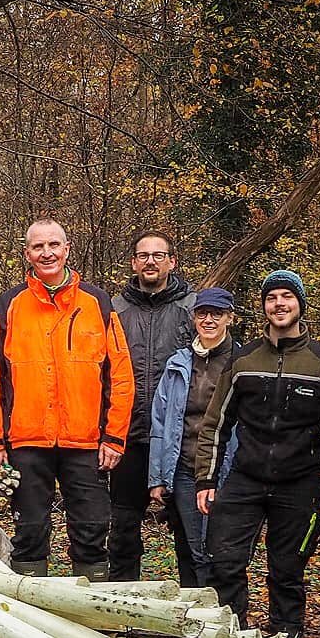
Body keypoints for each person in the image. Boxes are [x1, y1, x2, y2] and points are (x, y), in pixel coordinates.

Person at [195, 269, 320, 638]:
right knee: (225, 561)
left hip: (300, 482)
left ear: (300, 304)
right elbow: (216, 422)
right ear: (263, 306)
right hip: (245, 477)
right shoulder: (244, 359)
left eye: (286, 297)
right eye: (271, 298)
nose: (278, 304)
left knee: (287, 568)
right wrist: (207, 478)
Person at [0, 219, 134, 577]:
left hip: (87, 441)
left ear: (67, 249)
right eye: (37, 247)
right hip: (27, 440)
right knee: (30, 530)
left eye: (53, 245)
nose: (46, 253)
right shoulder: (8, 305)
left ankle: (91, 617)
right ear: (27, 253)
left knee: (92, 528)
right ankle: (32, 613)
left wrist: (114, 436)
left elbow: (120, 376)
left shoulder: (97, 302)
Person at [111, 230, 196, 580]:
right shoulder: (115, 309)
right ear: (133, 263)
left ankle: (195, 606)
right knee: (122, 531)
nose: (150, 261)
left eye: (158, 255)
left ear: (172, 262)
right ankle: (121, 608)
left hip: (177, 440)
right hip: (127, 436)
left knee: (187, 530)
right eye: (143, 255)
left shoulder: (192, 309)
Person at [147, 286, 239, 587]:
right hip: (186, 468)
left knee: (223, 551)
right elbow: (161, 423)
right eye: (202, 313)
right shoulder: (179, 364)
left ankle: (224, 613)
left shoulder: (243, 362)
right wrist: (158, 477)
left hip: (230, 470)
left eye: (217, 314)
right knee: (193, 548)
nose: (209, 320)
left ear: (230, 318)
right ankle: (198, 614)